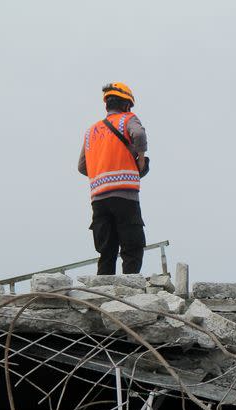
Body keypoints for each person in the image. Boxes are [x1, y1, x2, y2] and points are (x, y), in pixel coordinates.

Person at [78, 82, 149, 275]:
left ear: (106, 105)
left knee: (106, 250)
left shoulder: (90, 131)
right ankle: (131, 291)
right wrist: (140, 160)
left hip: (99, 199)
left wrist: (103, 171)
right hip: (125, 195)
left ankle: (103, 293)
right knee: (132, 246)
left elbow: (82, 167)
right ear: (127, 105)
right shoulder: (127, 119)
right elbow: (139, 135)